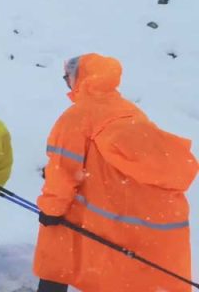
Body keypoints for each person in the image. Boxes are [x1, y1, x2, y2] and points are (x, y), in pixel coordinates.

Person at [34, 54, 197, 292]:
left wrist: (51, 210)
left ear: (79, 78)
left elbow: (62, 172)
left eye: (66, 77)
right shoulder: (130, 110)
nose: (66, 83)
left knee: (57, 253)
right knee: (125, 275)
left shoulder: (77, 117)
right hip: (136, 214)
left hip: (99, 212)